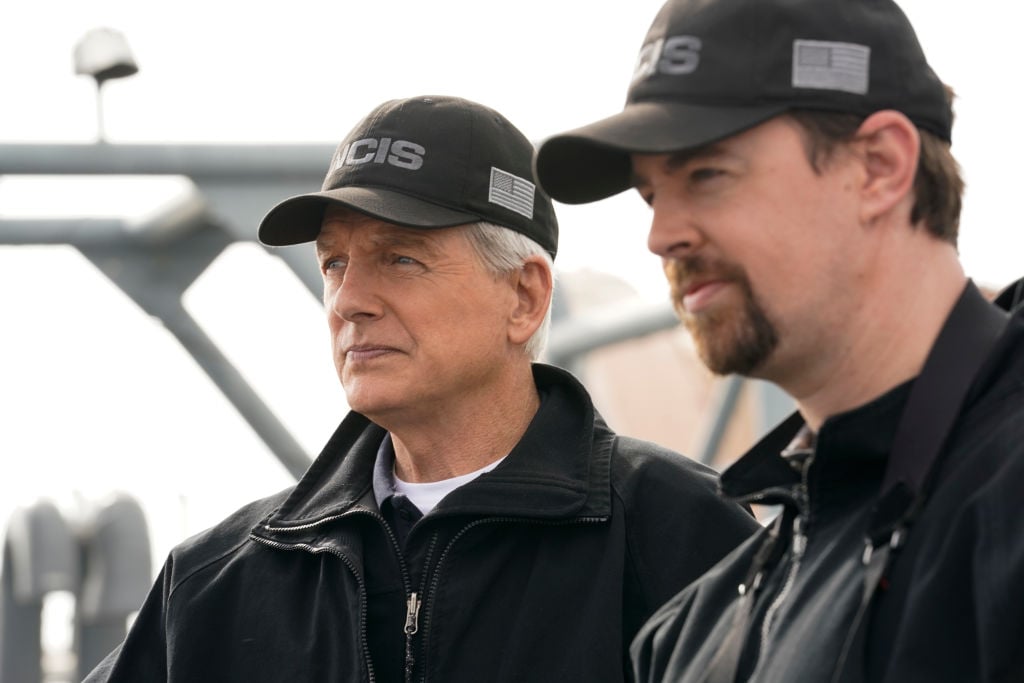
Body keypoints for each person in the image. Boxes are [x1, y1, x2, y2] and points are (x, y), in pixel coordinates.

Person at [83, 95, 758, 683]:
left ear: (524, 297)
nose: (349, 300)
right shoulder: (216, 585)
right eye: (334, 263)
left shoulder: (679, 537)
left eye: (400, 257)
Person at [534, 0, 1024, 681]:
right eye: (651, 195)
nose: (660, 234)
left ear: (879, 166)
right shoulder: (685, 636)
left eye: (706, 174)